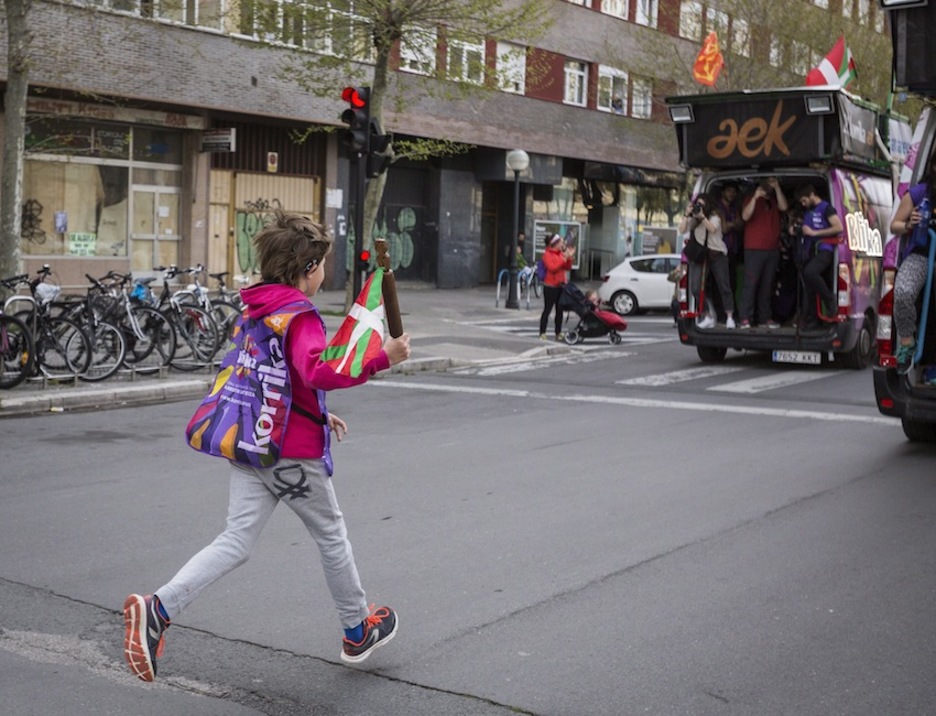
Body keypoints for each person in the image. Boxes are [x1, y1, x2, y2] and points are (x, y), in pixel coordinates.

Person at [122, 212, 412, 683]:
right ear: (309, 268)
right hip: (289, 453)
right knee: (331, 535)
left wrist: (317, 409)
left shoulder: (258, 306)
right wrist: (384, 357)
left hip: (250, 442)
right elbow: (316, 369)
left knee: (235, 541)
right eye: (322, 266)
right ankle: (357, 630)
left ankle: (157, 609)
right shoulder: (300, 315)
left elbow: (268, 375)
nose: (323, 274)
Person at [890, 148, 936, 372]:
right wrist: (910, 224)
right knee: (903, 291)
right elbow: (894, 225)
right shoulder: (919, 193)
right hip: (922, 254)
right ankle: (907, 344)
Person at [678, 192, 735, 329]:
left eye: (702, 205)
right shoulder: (695, 219)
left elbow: (713, 229)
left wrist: (702, 217)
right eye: (698, 205)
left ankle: (729, 317)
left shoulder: (715, 216)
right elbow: (681, 230)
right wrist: (687, 215)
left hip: (717, 254)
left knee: (724, 286)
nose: (699, 208)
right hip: (700, 256)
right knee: (696, 288)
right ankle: (707, 315)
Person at [738, 177, 788, 329]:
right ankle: (745, 318)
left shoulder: (773, 200)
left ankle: (764, 318)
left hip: (772, 249)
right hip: (754, 249)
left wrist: (778, 188)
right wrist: (755, 197)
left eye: (769, 186)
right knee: (751, 284)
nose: (767, 188)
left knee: (767, 285)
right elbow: (745, 216)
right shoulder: (749, 198)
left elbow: (784, 207)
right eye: (764, 185)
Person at [797, 184, 842, 329]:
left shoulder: (826, 208)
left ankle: (829, 300)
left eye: (804, 200)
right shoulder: (809, 211)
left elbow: (838, 227)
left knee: (810, 272)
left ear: (811, 194)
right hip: (810, 251)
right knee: (808, 285)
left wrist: (815, 233)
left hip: (824, 250)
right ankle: (812, 319)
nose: (803, 204)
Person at [539, 234, 575, 340]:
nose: (563, 244)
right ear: (555, 244)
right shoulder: (547, 254)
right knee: (547, 309)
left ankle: (558, 332)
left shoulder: (560, 254)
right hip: (550, 286)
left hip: (561, 286)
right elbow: (552, 267)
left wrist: (569, 258)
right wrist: (563, 257)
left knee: (559, 310)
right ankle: (542, 332)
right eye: (561, 242)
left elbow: (567, 267)